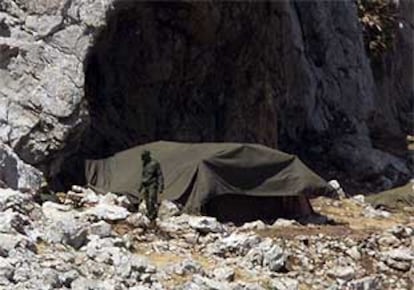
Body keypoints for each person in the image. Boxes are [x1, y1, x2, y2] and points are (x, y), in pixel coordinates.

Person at [139, 150, 164, 223]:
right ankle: (149, 214)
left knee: (151, 199)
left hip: (152, 184)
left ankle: (152, 216)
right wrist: (140, 186)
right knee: (146, 200)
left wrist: (161, 186)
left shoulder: (155, 163)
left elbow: (160, 175)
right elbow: (143, 175)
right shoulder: (144, 164)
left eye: (144, 157)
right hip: (145, 185)